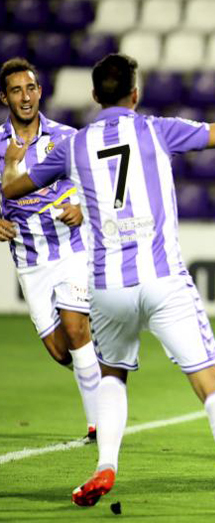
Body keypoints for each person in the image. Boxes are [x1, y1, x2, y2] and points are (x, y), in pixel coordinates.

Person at [1, 54, 215, 513]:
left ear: (93, 96)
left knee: (111, 373)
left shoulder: (73, 147)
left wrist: (13, 165)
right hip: (163, 278)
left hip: (108, 287)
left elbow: (12, 190)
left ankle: (105, 465)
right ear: (136, 93)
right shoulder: (157, 129)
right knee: (210, 382)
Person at [0, 58, 100, 442]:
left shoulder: (67, 138)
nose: (25, 97)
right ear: (4, 97)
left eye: (31, 88)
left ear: (40, 91)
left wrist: (82, 209)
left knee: (76, 332)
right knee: (63, 352)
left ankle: (99, 426)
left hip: (71, 250)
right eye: (16, 90)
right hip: (29, 262)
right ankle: (101, 364)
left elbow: (96, 187)